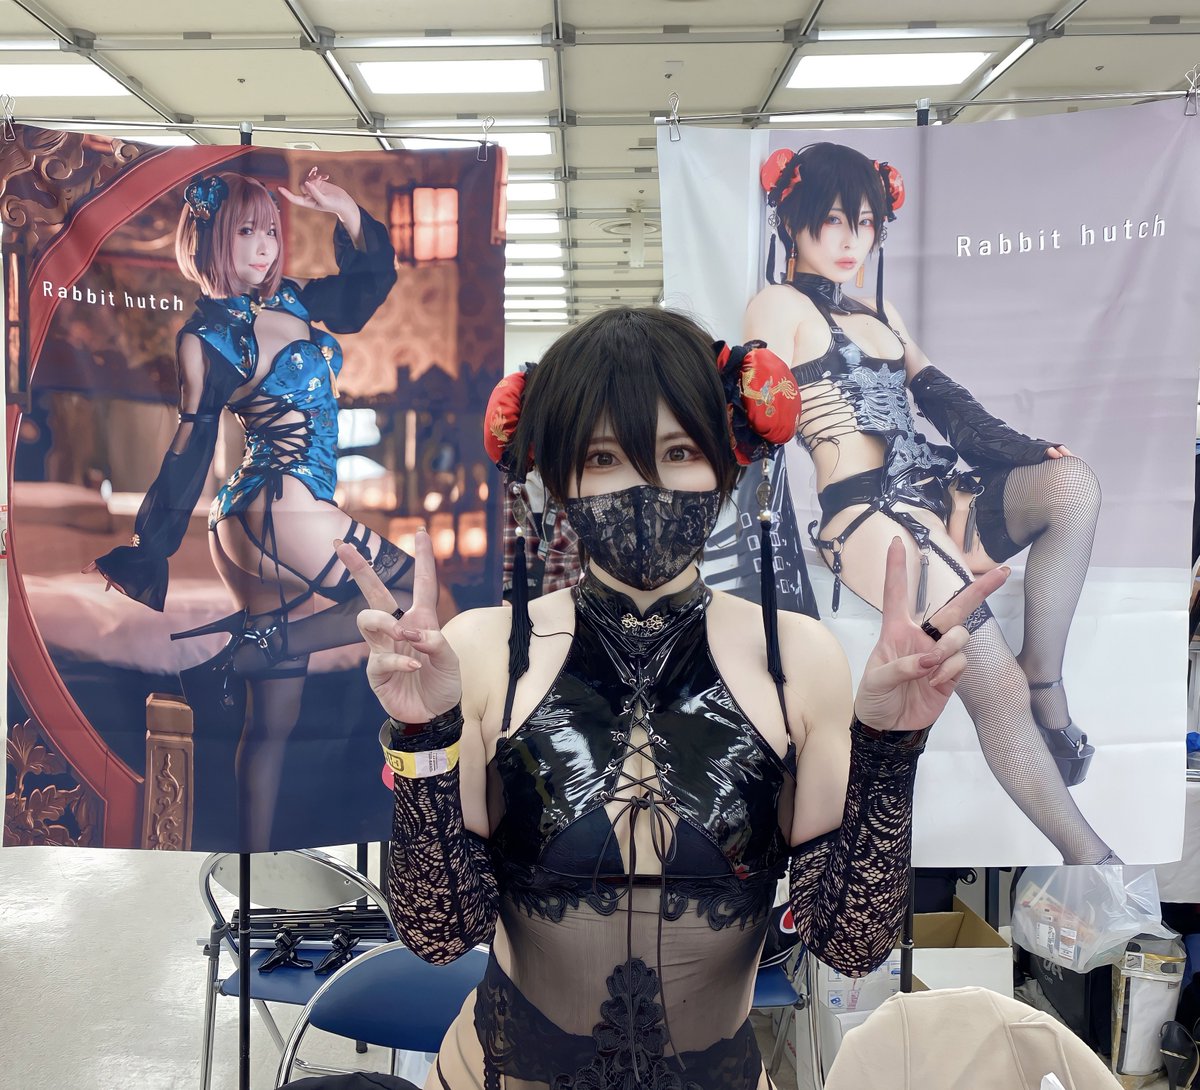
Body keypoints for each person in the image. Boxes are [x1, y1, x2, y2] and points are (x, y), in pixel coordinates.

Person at [336, 306, 1007, 1090]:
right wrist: (423, 737)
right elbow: (440, 935)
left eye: (678, 451)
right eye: (603, 457)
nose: (644, 485)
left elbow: (850, 945)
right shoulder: (483, 650)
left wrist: (889, 751)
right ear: (558, 477)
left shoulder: (800, 659)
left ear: (730, 462)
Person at [743, 141, 1116, 865]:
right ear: (789, 222)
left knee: (1074, 484)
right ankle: (1095, 864)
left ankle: (1046, 679)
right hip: (866, 516)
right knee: (990, 679)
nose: (851, 240)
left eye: (865, 222)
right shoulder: (776, 305)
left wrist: (1026, 448)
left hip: (938, 494)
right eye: (832, 220)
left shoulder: (879, 308)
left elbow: (944, 401)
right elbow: (756, 420)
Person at [86, 168, 414, 850]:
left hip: (258, 519)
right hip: (280, 507)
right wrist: (148, 549)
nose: (264, 247)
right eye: (245, 231)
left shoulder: (292, 297)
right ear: (208, 238)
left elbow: (364, 292)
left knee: (273, 724)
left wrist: (344, 209)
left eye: (270, 230)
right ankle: (255, 650)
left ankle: (251, 862)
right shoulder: (205, 337)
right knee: (410, 598)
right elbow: (189, 446)